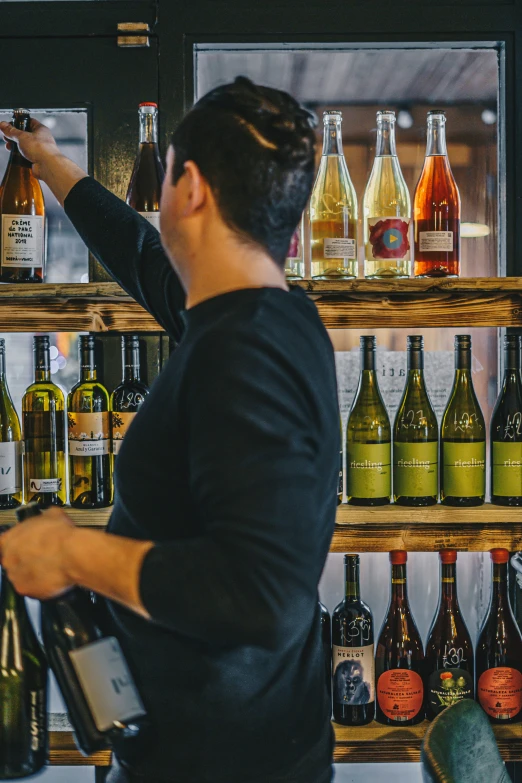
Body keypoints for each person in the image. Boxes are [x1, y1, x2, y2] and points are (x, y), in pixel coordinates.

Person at [0, 77, 339, 783]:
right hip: (242, 744)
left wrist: (68, 552)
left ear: (189, 188)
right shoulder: (264, 317)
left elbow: (263, 595)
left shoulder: (241, 352)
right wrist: (51, 165)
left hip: (217, 766)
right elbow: (145, 258)